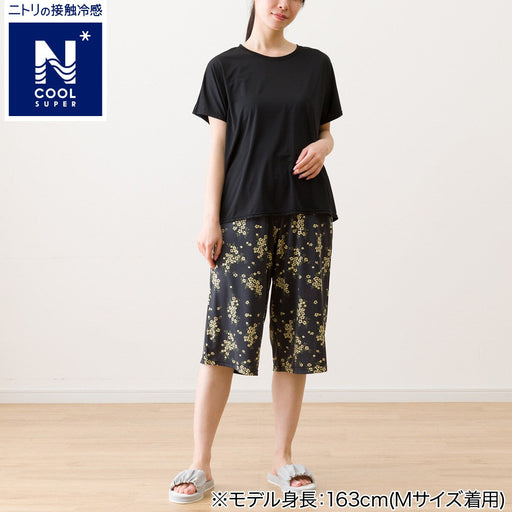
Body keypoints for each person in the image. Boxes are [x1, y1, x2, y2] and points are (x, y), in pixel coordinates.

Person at [169, 0, 343, 504]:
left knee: (297, 340)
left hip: (306, 214)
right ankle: (200, 463)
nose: (282, 4)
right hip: (242, 215)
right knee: (224, 338)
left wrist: (325, 147)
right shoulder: (224, 67)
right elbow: (217, 148)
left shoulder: (316, 65)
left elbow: (325, 130)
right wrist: (210, 219)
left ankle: (282, 458)